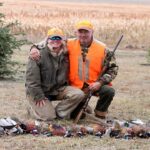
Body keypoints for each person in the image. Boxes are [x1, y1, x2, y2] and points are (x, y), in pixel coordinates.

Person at [30, 20, 118, 119]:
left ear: (92, 32)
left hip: (94, 85)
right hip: (75, 87)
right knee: (76, 115)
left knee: (108, 91)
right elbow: (52, 40)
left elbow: (113, 68)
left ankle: (100, 114)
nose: (83, 35)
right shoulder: (69, 43)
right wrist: (34, 47)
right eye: (80, 32)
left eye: (86, 32)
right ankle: (71, 109)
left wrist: (100, 83)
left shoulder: (103, 48)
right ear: (76, 33)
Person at [25, 27, 85, 121]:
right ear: (47, 39)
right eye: (52, 38)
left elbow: (84, 43)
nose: (55, 41)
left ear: (63, 40)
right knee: (48, 117)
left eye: (58, 38)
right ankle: (34, 109)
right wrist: (38, 96)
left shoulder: (67, 52)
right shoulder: (37, 54)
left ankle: (59, 113)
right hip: (40, 91)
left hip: (58, 89)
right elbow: (31, 80)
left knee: (79, 94)